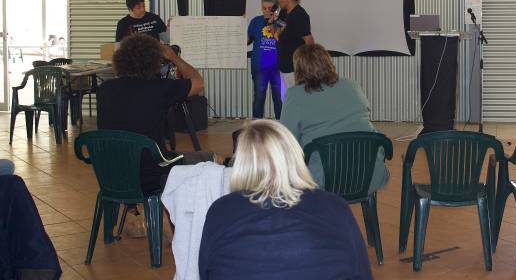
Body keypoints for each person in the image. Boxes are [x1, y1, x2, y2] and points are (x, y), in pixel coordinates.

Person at [199, 120, 371, 280]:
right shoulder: (335, 206)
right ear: (295, 156)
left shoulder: (220, 210)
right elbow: (362, 272)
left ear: (240, 165)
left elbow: (206, 270)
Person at [97, 33, 213, 236]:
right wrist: (174, 57)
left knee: (148, 154)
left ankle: (136, 215)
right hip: (150, 175)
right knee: (209, 159)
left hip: (112, 174)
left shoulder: (105, 89)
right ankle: (186, 224)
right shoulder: (160, 89)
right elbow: (198, 82)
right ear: (155, 61)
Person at [280, 44, 388, 193]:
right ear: (329, 62)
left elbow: (286, 140)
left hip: (324, 180)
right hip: (369, 176)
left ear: (298, 69)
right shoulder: (353, 86)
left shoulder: (295, 96)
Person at [247, 0, 282, 119]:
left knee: (279, 98)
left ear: (276, 8)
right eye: (264, 8)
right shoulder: (256, 21)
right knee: (259, 97)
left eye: (269, 8)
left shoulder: (281, 23)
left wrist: (274, 22)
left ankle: (281, 124)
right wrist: (238, 26)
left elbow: (281, 39)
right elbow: (247, 40)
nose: (266, 11)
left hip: (277, 67)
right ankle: (257, 126)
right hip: (259, 66)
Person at [276, 0, 314, 94]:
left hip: (295, 69)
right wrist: (272, 22)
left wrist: (309, 65)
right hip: (283, 65)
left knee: (297, 97)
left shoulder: (300, 15)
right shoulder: (283, 13)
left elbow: (309, 40)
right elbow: (277, 33)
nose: (279, 0)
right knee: (286, 97)